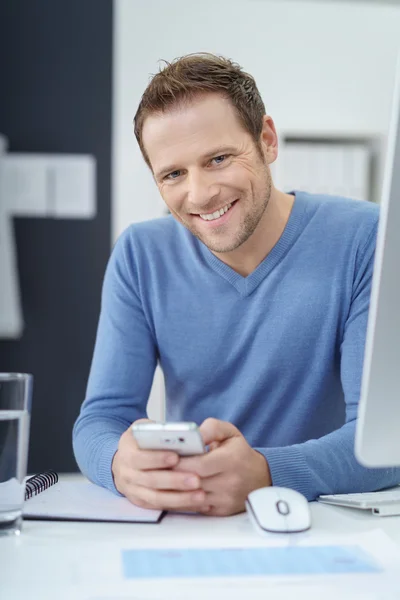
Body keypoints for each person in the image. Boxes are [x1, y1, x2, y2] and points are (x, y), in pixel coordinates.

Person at [73, 53, 400, 516]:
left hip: (327, 519)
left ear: (266, 140)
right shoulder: (140, 254)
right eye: (173, 174)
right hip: (195, 519)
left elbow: (385, 439)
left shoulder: (368, 238)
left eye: (219, 158)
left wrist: (267, 471)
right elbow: (101, 419)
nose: (200, 193)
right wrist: (118, 463)